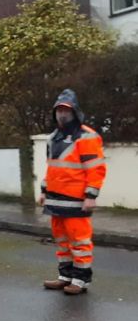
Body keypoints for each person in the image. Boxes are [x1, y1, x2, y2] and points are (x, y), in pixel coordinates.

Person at [39, 89, 106, 295]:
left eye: (66, 110)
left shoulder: (87, 136)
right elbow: (52, 167)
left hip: (76, 200)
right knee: (62, 241)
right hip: (56, 199)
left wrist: (91, 195)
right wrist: (44, 190)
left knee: (79, 241)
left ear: (75, 111)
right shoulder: (54, 137)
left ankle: (80, 280)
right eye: (59, 109)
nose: (62, 114)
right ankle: (65, 276)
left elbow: (96, 169)